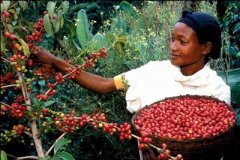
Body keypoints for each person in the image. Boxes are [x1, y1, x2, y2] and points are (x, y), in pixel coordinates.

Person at [33, 10, 231, 160]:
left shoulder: (217, 90)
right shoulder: (153, 71)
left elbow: (211, 143)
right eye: (172, 39)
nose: (172, 47)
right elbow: (104, 84)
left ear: (205, 48)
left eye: (182, 41)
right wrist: (56, 62)